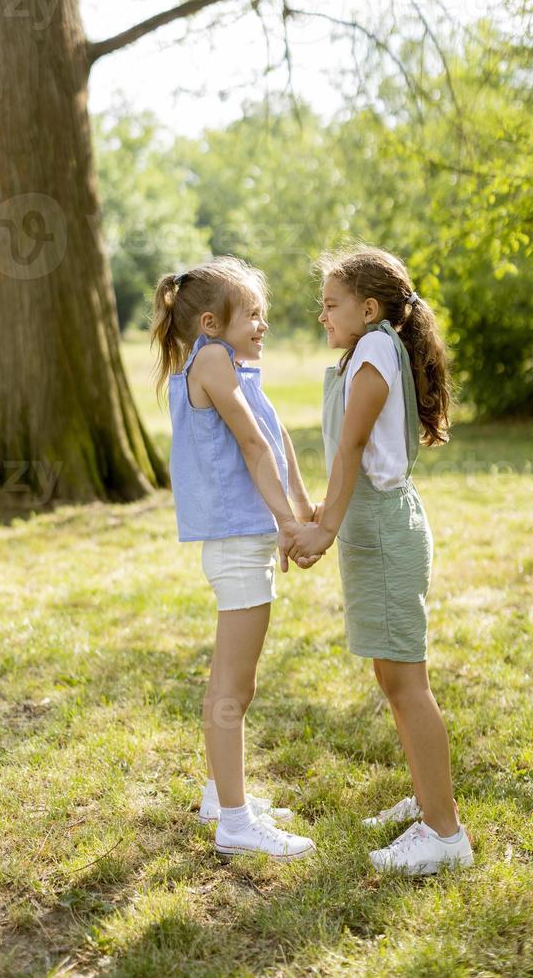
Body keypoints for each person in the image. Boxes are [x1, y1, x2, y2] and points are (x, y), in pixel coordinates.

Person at [285, 246, 474, 876]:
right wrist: (323, 510)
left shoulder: (372, 350)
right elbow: (355, 457)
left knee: (406, 680)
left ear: (368, 308)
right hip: (374, 526)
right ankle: (427, 800)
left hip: (385, 533)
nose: (322, 315)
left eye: (331, 304)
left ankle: (445, 834)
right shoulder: (372, 348)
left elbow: (354, 447)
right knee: (391, 676)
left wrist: (326, 528)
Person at [151, 256, 318, 861]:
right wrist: (287, 523)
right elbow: (250, 444)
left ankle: (221, 798)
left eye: (263, 314)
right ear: (209, 322)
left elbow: (275, 439)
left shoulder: (236, 365)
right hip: (236, 540)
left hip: (246, 538)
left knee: (236, 682)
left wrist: (301, 508)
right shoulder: (214, 359)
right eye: (252, 314)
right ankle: (236, 824)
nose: (263, 324)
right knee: (231, 686)